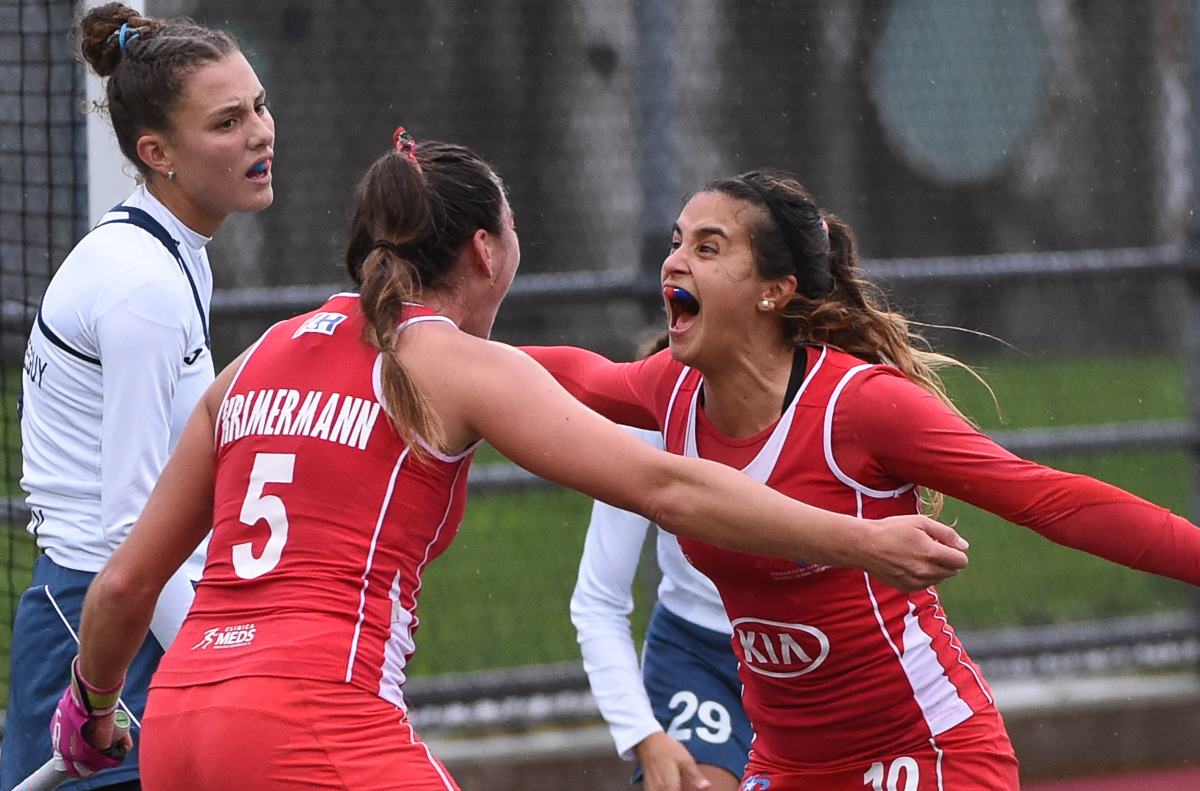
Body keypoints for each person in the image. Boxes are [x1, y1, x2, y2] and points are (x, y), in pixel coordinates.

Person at [45, 133, 969, 791]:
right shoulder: (451, 361)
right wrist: (861, 539)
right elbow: (667, 485)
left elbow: (124, 586)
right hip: (315, 727)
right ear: (485, 250)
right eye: (514, 231)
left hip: (177, 729)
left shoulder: (258, 357)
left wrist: (89, 709)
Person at [524, 169, 1200, 790]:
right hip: (791, 764)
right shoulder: (668, 391)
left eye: (708, 246)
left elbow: (1049, 499)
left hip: (925, 749)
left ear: (773, 289)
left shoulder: (861, 405)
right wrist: (433, 342)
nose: (675, 260)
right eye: (677, 243)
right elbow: (574, 375)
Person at [1, 2, 274, 791]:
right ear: (157, 152)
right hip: (101, 625)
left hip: (139, 605)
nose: (260, 133)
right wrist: (223, 665)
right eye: (227, 122)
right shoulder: (142, 283)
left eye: (257, 105)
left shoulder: (174, 248)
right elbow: (130, 526)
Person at [572, 336, 750, 791]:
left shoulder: (835, 402)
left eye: (709, 256)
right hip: (696, 658)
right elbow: (598, 600)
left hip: (821, 660)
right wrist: (643, 734)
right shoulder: (654, 414)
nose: (679, 265)